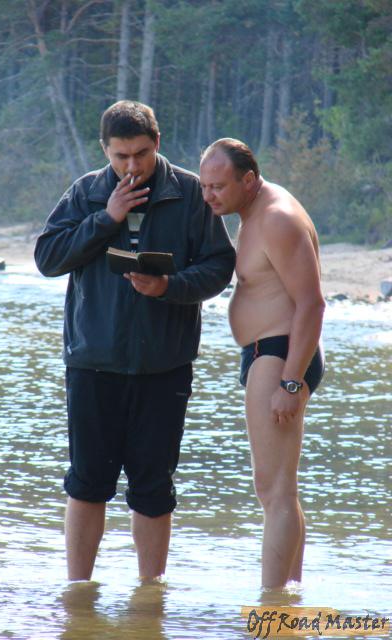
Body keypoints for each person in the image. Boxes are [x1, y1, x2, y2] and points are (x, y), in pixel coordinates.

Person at [34, 101, 236, 581]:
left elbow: (219, 266)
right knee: (87, 483)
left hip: (165, 366)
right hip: (92, 363)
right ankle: (78, 595)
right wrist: (106, 218)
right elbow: (47, 258)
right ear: (104, 149)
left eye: (141, 154)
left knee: (153, 488)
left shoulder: (190, 192)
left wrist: (169, 287)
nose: (131, 166)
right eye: (120, 156)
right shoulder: (86, 192)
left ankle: (150, 597)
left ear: (158, 143)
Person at [199, 138, 325, 589]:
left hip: (280, 355)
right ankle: (290, 598)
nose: (209, 196)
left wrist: (290, 383)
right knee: (281, 490)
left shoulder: (276, 219)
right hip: (268, 354)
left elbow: (312, 304)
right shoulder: (253, 212)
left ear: (249, 180)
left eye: (218, 187)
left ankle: (271, 606)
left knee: (274, 492)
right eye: (205, 186)